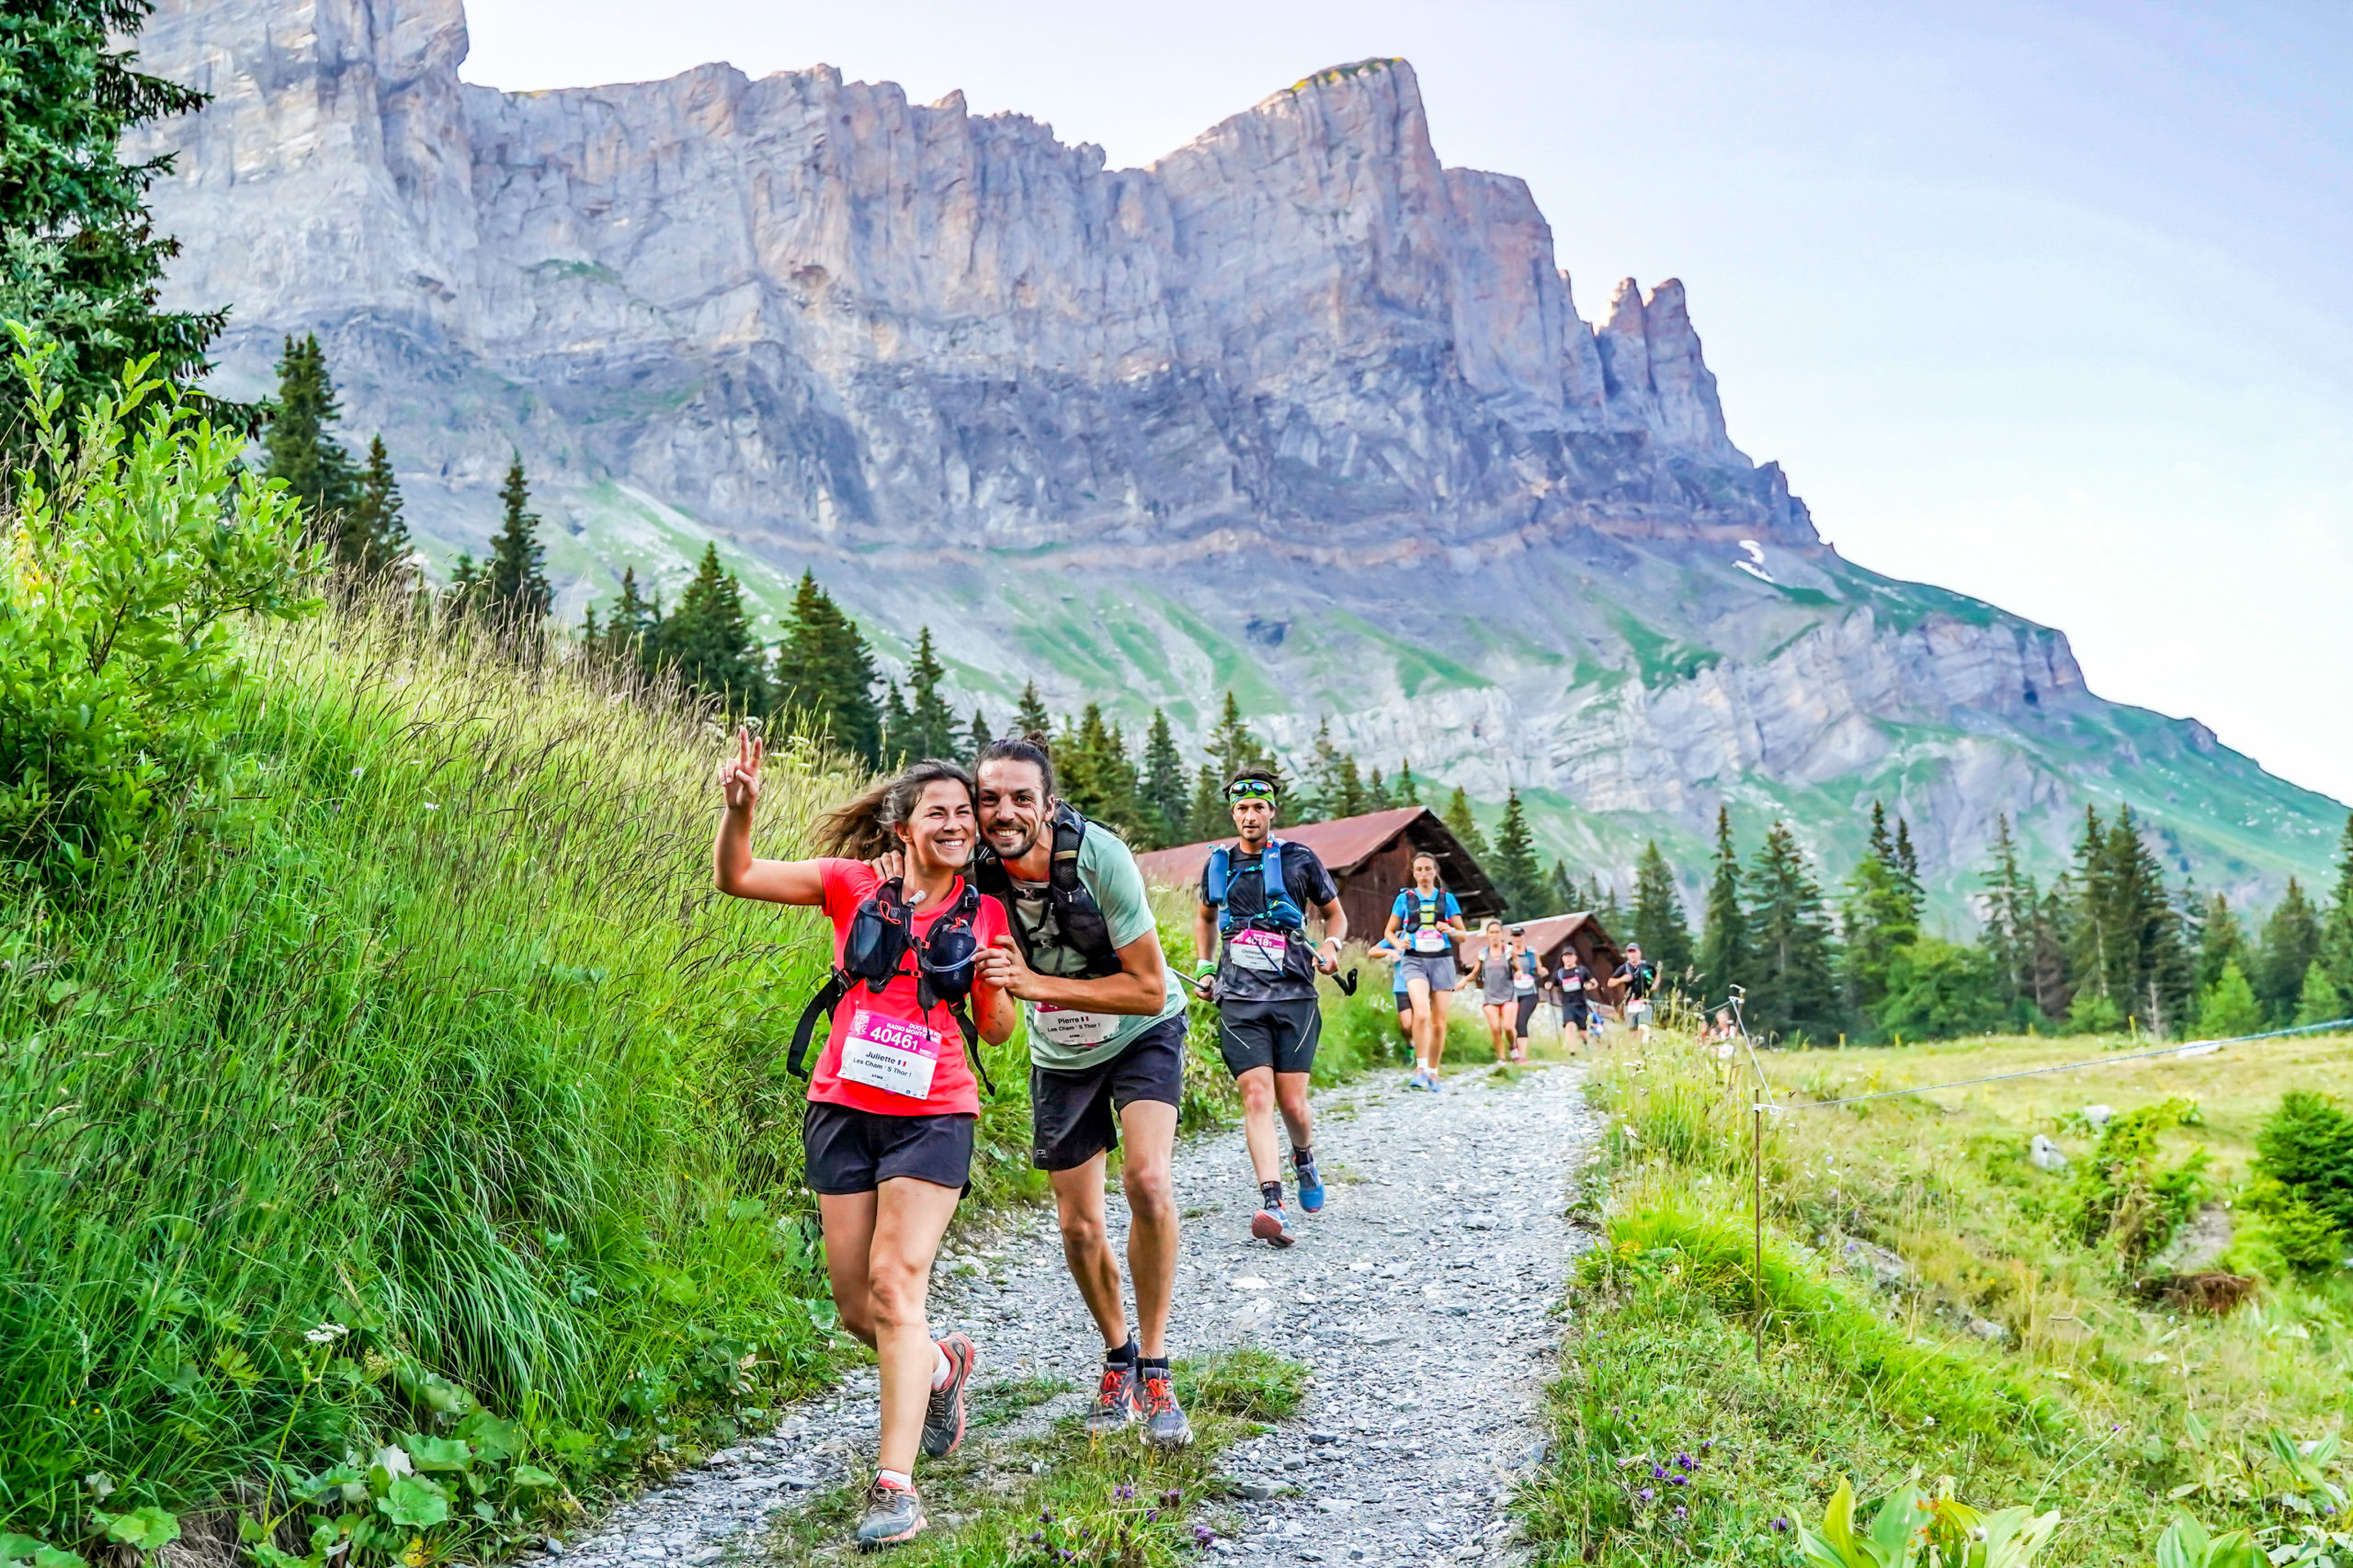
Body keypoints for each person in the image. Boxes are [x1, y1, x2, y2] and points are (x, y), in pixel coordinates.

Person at [712, 733, 1018, 1551]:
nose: (959, 823)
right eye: (940, 812)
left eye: (966, 813)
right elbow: (736, 876)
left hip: (937, 1111)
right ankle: (942, 1370)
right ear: (901, 827)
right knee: (858, 1306)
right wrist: (739, 810)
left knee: (894, 1286)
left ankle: (895, 1487)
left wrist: (995, 988)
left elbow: (997, 1032)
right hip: (843, 1107)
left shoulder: (987, 913)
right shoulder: (853, 886)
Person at [961, 734, 1194, 1447]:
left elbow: (1150, 985)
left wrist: (1037, 985)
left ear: (1049, 804)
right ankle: (1118, 1354)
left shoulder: (1102, 857)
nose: (1004, 812)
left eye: (1021, 798)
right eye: (990, 798)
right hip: (1061, 1054)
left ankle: (1155, 1367)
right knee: (1077, 1225)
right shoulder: (970, 869)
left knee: (1148, 1182)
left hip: (1141, 1031)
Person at [1191, 768, 1347, 1247]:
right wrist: (1203, 967)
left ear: (1272, 811)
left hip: (1295, 995)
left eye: (1258, 807)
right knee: (1256, 1096)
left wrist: (1334, 945)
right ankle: (1272, 1202)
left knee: (1292, 1102)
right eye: (1241, 808)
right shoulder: (1218, 864)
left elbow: (1334, 913)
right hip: (1238, 998)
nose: (1250, 815)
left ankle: (1304, 1157)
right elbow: (1204, 916)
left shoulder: (1300, 859)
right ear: (1233, 813)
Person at [1382, 852, 1467, 1091]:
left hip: (1441, 960)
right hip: (1414, 960)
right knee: (1421, 1014)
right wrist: (1398, 944)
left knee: (1439, 1022)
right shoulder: (1405, 899)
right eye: (1418, 869)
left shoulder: (1447, 899)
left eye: (1427, 869)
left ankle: (1433, 1071)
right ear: (1414, 873)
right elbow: (1389, 931)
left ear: (1435, 871)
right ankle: (1420, 1068)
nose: (1423, 874)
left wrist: (1449, 930)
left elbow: (1463, 934)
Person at [1474, 920, 1518, 1062]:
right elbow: (1475, 972)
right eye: (1491, 932)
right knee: (1495, 1028)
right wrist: (1462, 981)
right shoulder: (1483, 954)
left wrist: (1520, 974)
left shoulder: (1509, 952)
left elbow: (1519, 969)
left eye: (1496, 932)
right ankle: (1501, 1058)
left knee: (1508, 1027)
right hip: (1490, 996)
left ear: (1501, 934)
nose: (1494, 935)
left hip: (1508, 994)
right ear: (1487, 935)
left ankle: (1513, 1047)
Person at [1505, 926, 1544, 1062]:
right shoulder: (1507, 954)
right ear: (1511, 938)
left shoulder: (1532, 953)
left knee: (1521, 1021)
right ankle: (1514, 1052)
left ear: (1523, 937)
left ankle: (1522, 1055)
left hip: (1529, 992)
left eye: (1519, 936)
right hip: (1512, 993)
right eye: (1515, 936)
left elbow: (1538, 969)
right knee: (1512, 1023)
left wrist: (1541, 971)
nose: (1517, 939)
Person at [1611, 941, 1660, 1042]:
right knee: (1632, 1029)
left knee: (1644, 1025)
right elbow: (1610, 982)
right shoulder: (1624, 968)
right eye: (1630, 952)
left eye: (1634, 951)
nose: (1632, 954)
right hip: (1630, 1003)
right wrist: (1622, 979)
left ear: (1639, 953)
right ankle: (1637, 1047)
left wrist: (1654, 985)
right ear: (1627, 955)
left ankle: (1645, 1045)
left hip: (1645, 1001)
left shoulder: (1647, 967)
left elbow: (1657, 975)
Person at [1555, 948, 1598, 1051]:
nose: (1568, 959)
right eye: (1566, 956)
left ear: (1575, 957)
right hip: (1566, 1004)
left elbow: (1595, 982)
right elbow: (1551, 983)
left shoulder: (1582, 970)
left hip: (1580, 1004)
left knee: (1582, 1032)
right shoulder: (1560, 973)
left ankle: (1586, 1045)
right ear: (1562, 958)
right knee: (1569, 1026)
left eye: (1570, 956)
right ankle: (1572, 1051)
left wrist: (1590, 985)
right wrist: (1548, 985)